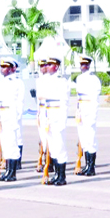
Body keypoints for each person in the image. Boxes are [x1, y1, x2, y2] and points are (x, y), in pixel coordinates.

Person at [0, 57, 24, 182]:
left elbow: (19, 102)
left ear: (12, 68)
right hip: (3, 115)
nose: (3, 69)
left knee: (12, 144)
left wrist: (16, 118)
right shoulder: (2, 83)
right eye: (2, 67)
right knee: (5, 144)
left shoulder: (17, 82)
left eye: (5, 67)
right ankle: (7, 171)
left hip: (11, 116)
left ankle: (12, 173)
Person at [43, 56, 70, 186]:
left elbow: (64, 102)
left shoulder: (61, 81)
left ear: (56, 66)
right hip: (49, 117)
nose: (47, 66)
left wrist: (62, 120)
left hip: (58, 117)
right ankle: (56, 175)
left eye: (50, 64)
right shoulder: (47, 80)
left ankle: (62, 176)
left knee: (60, 146)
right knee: (53, 147)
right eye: (47, 64)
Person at [74, 54, 101, 176]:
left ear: (89, 65)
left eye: (85, 64)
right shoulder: (79, 78)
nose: (83, 66)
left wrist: (92, 114)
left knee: (91, 139)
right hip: (81, 111)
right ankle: (86, 165)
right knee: (84, 139)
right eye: (81, 64)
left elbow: (95, 99)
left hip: (89, 111)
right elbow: (78, 97)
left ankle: (91, 167)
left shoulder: (93, 79)